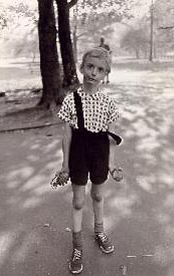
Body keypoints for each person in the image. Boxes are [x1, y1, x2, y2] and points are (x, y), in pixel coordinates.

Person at [57, 47, 122, 274]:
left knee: (97, 195)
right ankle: (77, 247)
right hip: (78, 153)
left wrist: (112, 164)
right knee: (78, 201)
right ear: (82, 67)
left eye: (100, 69)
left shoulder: (108, 104)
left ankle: (99, 231)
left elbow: (111, 138)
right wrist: (65, 165)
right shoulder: (70, 100)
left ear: (106, 74)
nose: (94, 73)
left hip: (100, 153)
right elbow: (66, 135)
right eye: (90, 67)